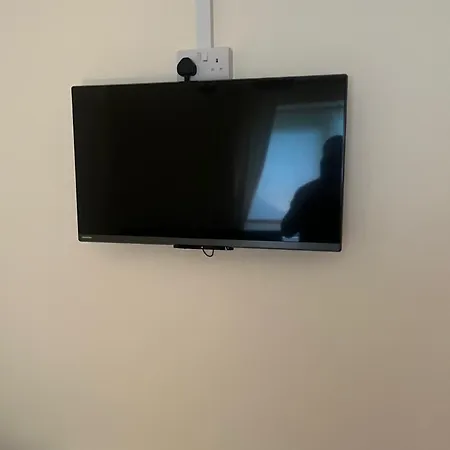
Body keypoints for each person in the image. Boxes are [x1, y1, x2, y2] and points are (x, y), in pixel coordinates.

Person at [281, 135, 344, 243]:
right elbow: (287, 230)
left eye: (335, 160)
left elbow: (287, 230)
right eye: (329, 159)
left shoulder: (307, 191)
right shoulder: (307, 192)